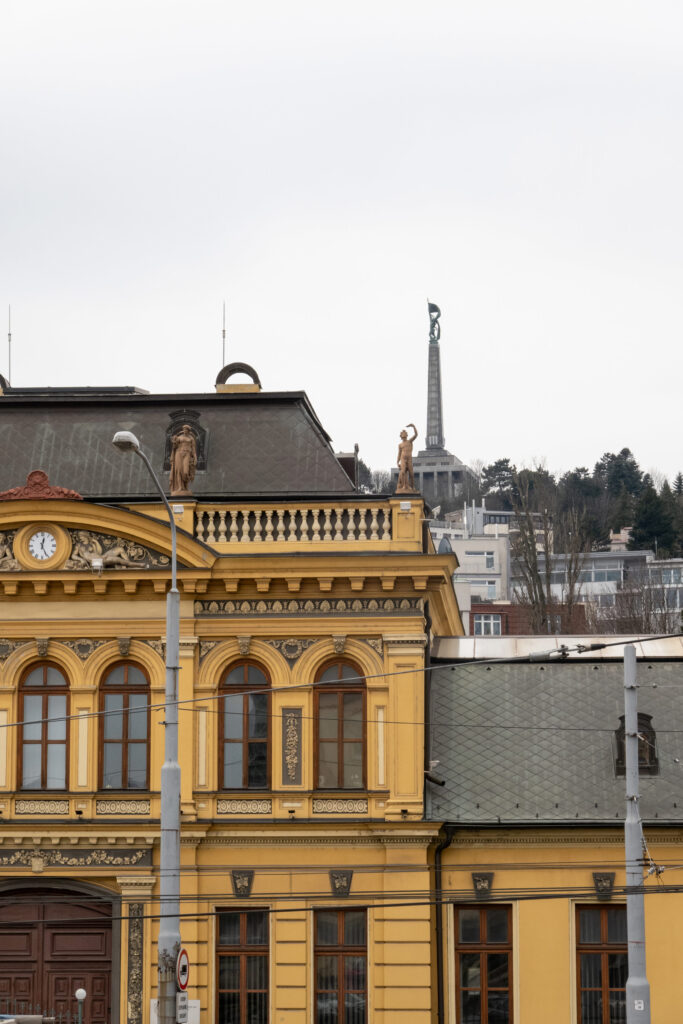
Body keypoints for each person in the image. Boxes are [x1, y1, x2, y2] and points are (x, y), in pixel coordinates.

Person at [170, 424, 197, 495]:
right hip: (178, 453)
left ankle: (185, 486)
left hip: (187, 454)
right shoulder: (179, 437)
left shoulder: (191, 438)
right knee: (178, 470)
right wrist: (174, 441)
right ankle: (180, 487)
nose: (185, 431)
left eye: (186, 429)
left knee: (185, 471)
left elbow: (193, 449)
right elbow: (174, 446)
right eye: (184, 429)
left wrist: (195, 457)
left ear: (188, 430)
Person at [396, 423, 418, 492]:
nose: (404, 434)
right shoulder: (400, 445)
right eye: (402, 433)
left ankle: (413, 486)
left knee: (411, 473)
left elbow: (416, 435)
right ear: (401, 436)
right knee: (403, 472)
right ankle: (404, 486)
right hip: (403, 458)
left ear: (406, 435)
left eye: (405, 433)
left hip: (409, 458)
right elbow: (399, 453)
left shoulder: (409, 441)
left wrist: (413, 426)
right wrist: (397, 461)